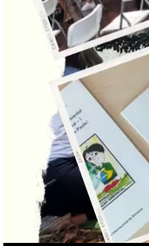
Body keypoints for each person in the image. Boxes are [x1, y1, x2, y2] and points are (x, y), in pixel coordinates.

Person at [40, 53, 98, 234]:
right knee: (119, 186)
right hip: (55, 173)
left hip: (54, 171)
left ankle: (71, 218)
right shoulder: (74, 77)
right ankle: (67, 219)